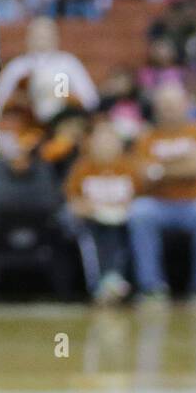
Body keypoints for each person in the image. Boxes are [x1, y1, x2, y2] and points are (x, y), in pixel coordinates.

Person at [128, 83, 196, 302]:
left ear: (186, 105)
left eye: (173, 104)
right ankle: (151, 287)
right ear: (155, 108)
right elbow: (142, 175)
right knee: (139, 211)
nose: (168, 109)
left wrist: (162, 169)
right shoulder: (146, 136)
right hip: (158, 204)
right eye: (163, 105)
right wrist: (186, 164)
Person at [64, 120, 141, 303]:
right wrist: (85, 207)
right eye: (101, 141)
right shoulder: (82, 168)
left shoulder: (130, 167)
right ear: (91, 144)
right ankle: (97, 284)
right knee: (89, 235)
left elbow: (140, 198)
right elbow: (72, 199)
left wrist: (125, 208)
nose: (105, 146)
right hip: (92, 221)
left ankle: (117, 278)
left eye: (110, 141)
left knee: (125, 235)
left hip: (121, 220)